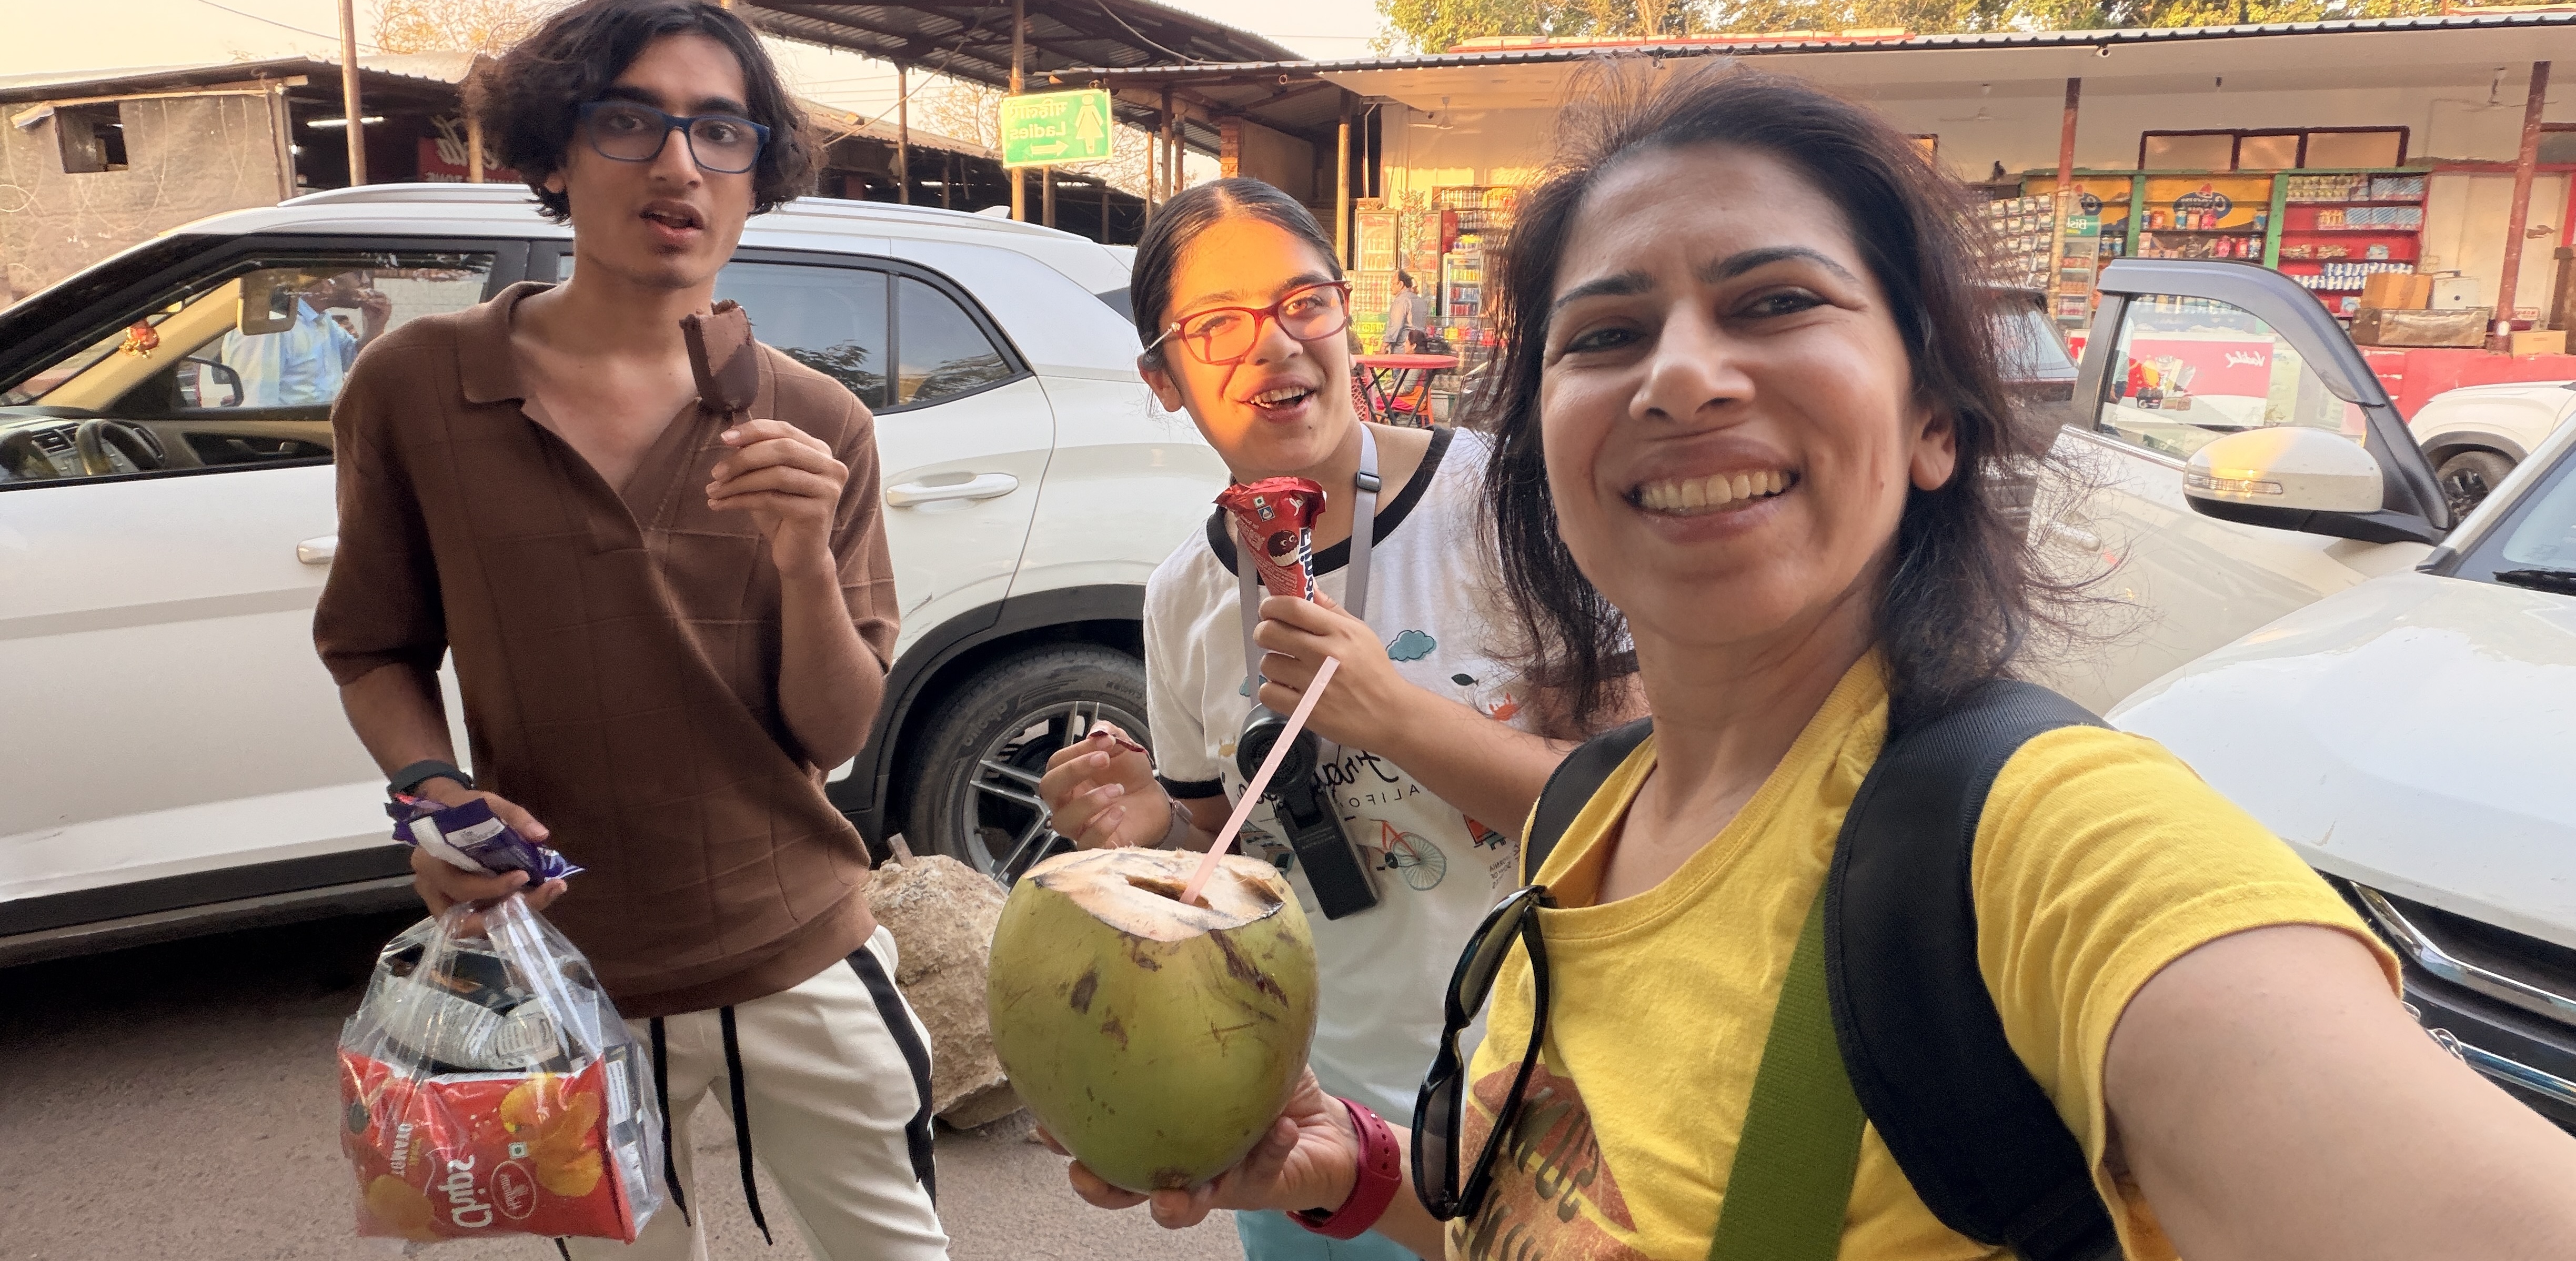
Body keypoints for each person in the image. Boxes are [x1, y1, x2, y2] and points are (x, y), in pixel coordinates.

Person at [1050, 66, 2576, 1257]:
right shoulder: (1594, 821)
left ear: (1931, 419)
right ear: (1553, 458)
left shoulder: (2051, 849)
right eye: (1607, 332)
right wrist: (1353, 1168)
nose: (1685, 374)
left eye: (1776, 302)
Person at [314, 0, 948, 1261]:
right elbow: (373, 645)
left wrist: (803, 561)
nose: (679, 164)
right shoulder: (419, 387)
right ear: (552, 150)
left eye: (723, 131)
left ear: (756, 175)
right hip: (564, 971)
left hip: (799, 949)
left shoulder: (816, 423)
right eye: (629, 121)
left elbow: (830, 732)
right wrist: (435, 792)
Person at [1035, 177, 1622, 1261]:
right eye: (1216, 327)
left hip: (1536, 1107)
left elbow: (1638, 815)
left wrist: (1394, 715)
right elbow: (1230, 852)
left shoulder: (1508, 514)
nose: (1275, 347)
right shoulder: (1184, 594)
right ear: (1162, 378)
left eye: (1305, 302)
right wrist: (1152, 832)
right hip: (1300, 1111)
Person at [220, 269, 388, 406]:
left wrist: (375, 326)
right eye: (357, 273)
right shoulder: (271, 327)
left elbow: (354, 360)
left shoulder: (323, 320)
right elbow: (256, 407)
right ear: (325, 282)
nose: (366, 280)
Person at [1382, 269, 1422, 354]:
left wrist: (1384, 345)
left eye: (1393, 284)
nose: (1391, 287)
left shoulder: (1401, 300)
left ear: (1401, 284)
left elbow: (1396, 325)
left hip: (1403, 346)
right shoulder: (1419, 300)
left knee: (1400, 366)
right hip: (1418, 346)